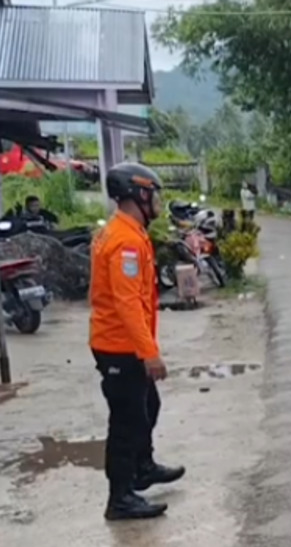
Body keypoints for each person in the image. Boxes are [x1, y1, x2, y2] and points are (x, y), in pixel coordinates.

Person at [89, 163, 185, 520]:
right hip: (118, 346)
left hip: (123, 342)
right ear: (138, 195)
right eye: (153, 194)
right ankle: (120, 498)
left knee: (149, 406)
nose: (158, 201)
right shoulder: (125, 241)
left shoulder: (125, 231)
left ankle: (142, 467)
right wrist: (149, 354)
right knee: (127, 420)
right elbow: (127, 302)